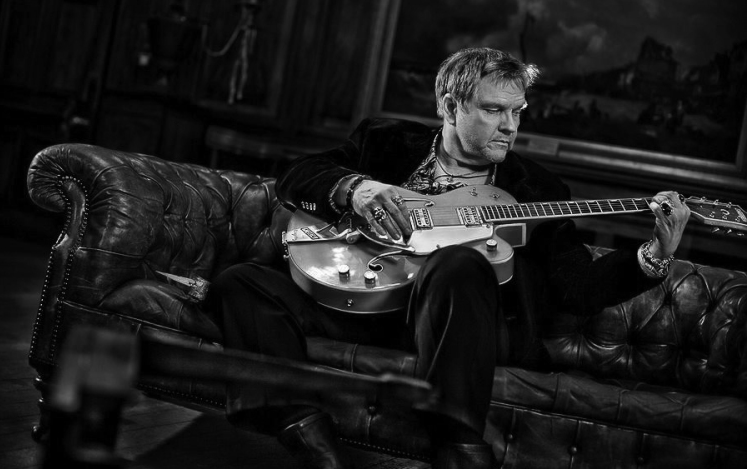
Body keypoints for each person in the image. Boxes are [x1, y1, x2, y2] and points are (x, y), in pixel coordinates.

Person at [206, 47, 690, 469]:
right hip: (363, 303)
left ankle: (459, 448)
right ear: (450, 105)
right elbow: (298, 175)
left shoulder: (536, 188)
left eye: (518, 112)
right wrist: (356, 188)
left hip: (454, 326)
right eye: (494, 110)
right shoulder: (385, 141)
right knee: (240, 282)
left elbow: (579, 287)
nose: (510, 127)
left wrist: (655, 253)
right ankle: (310, 438)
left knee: (459, 262)